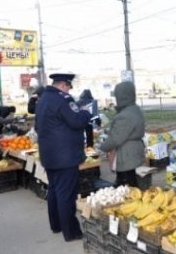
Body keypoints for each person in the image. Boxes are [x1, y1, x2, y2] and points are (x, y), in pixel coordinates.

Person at [35, 73, 92, 242]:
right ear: (63, 85)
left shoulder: (43, 99)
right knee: (66, 194)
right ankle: (71, 232)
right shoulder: (63, 99)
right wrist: (85, 113)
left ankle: (56, 225)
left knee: (54, 190)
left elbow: (38, 127)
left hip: (49, 156)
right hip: (65, 157)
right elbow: (76, 121)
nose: (69, 90)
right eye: (68, 87)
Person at [99, 81, 145, 187]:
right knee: (130, 181)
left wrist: (102, 148)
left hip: (126, 154)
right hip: (133, 151)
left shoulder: (125, 115)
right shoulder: (134, 109)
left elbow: (116, 138)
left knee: (125, 184)